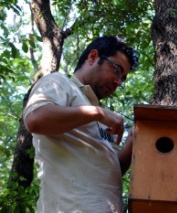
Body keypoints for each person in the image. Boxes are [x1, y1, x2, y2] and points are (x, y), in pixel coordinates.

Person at [23, 35, 138, 213]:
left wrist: (131, 142)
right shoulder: (58, 82)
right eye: (116, 70)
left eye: (122, 78)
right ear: (92, 57)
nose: (118, 81)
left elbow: (110, 172)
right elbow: (36, 118)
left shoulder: (96, 116)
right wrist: (97, 113)